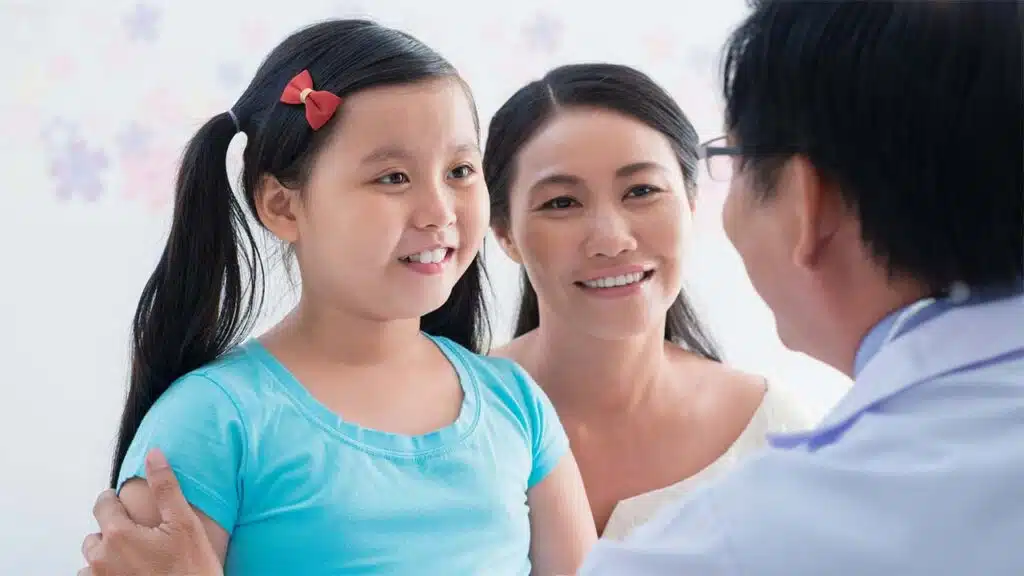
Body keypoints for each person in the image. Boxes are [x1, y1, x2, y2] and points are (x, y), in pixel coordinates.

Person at [80, 19, 595, 576]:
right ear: (281, 206)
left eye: (460, 171)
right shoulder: (209, 422)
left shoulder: (516, 405)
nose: (440, 210)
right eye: (393, 177)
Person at [575, 0, 1024, 573]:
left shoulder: (733, 546)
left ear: (805, 202)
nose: (611, 239)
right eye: (561, 202)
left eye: (731, 161)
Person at [483, 62, 809, 538]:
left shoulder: (771, 432)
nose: (611, 240)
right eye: (561, 203)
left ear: (691, 206)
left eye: (641, 191)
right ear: (504, 234)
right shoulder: (445, 415)